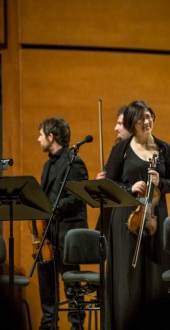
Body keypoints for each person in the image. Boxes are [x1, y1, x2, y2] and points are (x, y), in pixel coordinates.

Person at [104, 100, 170, 330]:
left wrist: (161, 182)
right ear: (132, 123)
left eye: (149, 117)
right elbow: (109, 183)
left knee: (156, 280)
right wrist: (130, 188)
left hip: (155, 218)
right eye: (141, 119)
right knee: (128, 281)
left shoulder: (164, 149)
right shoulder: (122, 149)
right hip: (126, 218)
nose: (146, 122)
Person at [36, 117, 89, 330]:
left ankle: (77, 325)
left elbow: (78, 196)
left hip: (67, 234)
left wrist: (53, 208)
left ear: (51, 136)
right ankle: (49, 325)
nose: (38, 139)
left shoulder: (73, 161)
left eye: (40, 134)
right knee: (47, 285)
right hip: (48, 234)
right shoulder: (48, 164)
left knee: (71, 285)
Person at [95, 107, 132, 236]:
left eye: (120, 124)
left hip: (127, 214)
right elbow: (109, 175)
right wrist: (101, 180)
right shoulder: (117, 148)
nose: (116, 128)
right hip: (110, 211)